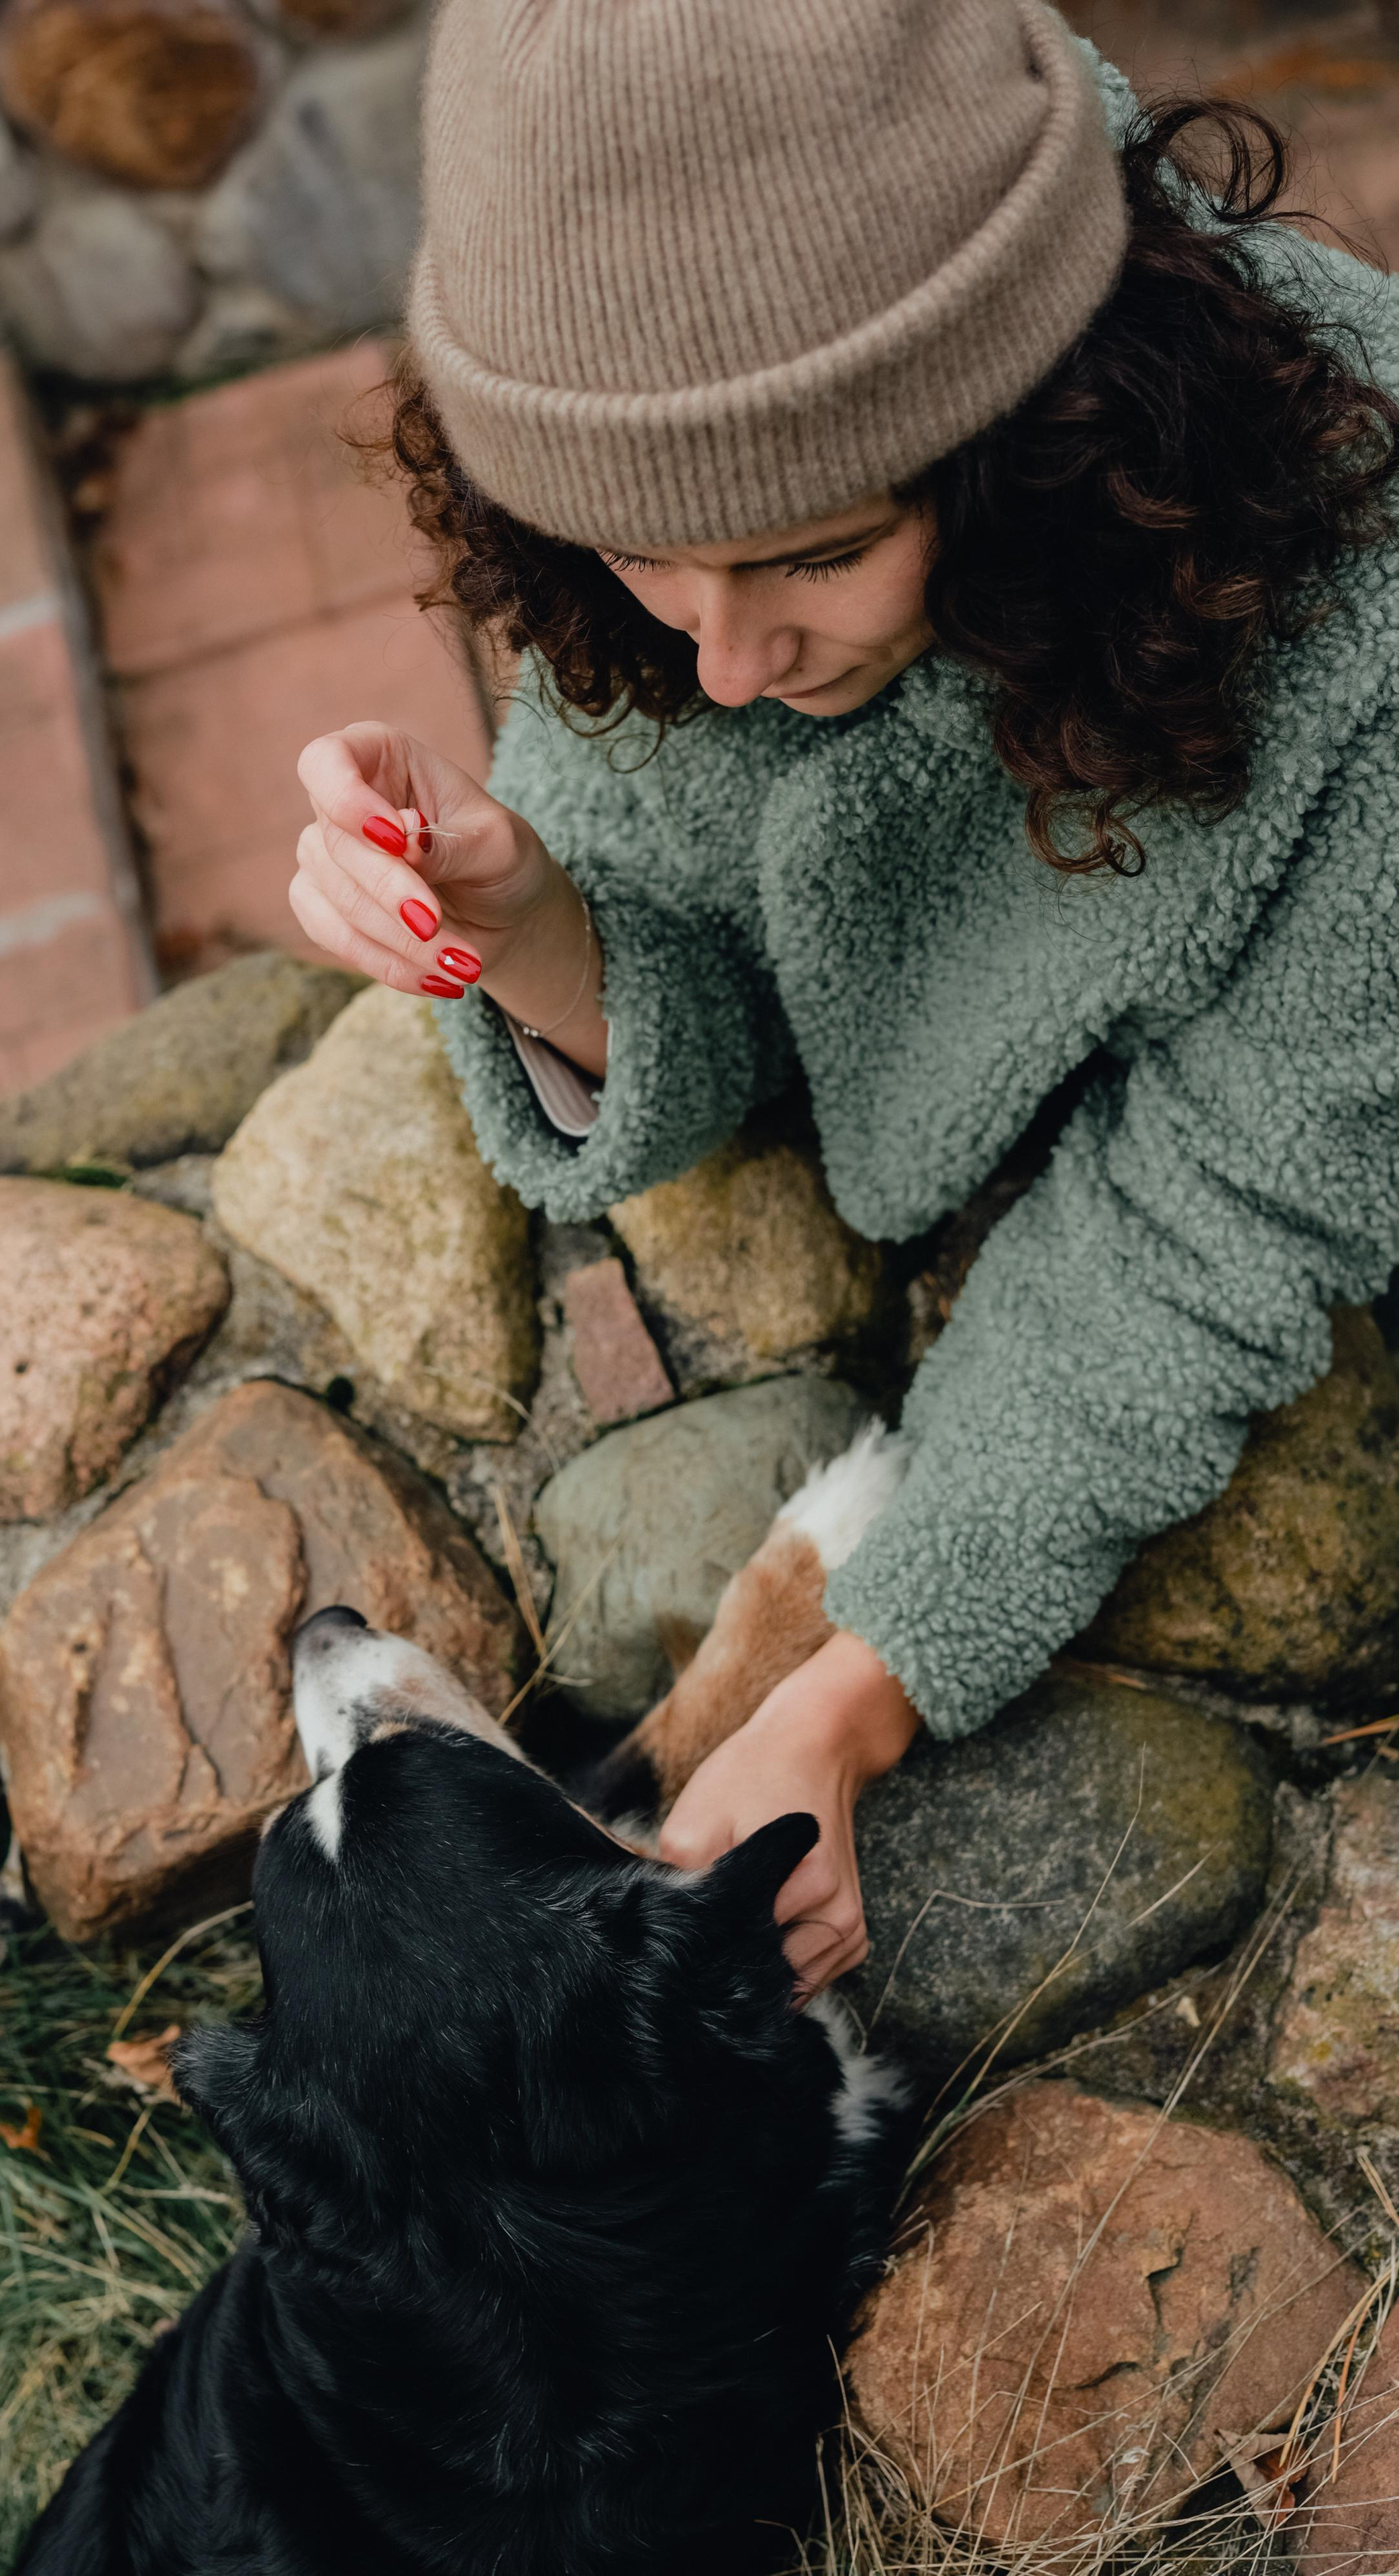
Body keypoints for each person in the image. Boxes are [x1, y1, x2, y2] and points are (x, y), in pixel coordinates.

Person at [290, 0, 1399, 1996]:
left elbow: (1221, 1218)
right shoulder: (680, 493)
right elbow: (685, 936)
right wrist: (525, 924)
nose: (721, 664)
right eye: (643, 553)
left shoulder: (1363, 621)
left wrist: (859, 1686)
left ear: (1045, 434)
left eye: (819, 552)